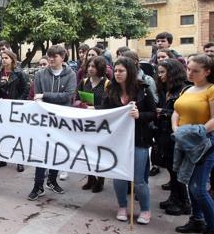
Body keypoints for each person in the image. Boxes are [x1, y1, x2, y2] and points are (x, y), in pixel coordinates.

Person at [102, 58, 155, 224]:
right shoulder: (111, 89)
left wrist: (140, 115)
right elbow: (104, 113)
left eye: (121, 71)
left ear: (130, 72)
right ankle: (122, 206)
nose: (117, 74)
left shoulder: (143, 89)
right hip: (118, 141)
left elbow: (153, 113)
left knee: (139, 180)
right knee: (118, 176)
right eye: (116, 71)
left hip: (139, 140)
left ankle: (145, 210)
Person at [172, 55, 214, 234]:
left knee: (199, 187)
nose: (190, 72)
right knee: (190, 183)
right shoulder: (187, 89)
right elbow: (176, 111)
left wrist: (196, 132)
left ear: (207, 72)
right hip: (184, 142)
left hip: (204, 143)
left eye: (195, 70)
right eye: (188, 68)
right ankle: (197, 220)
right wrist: (177, 130)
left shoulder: (211, 90)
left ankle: (212, 228)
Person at [28, 45, 76, 200]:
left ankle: (52, 180)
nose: (51, 59)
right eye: (49, 56)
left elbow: (67, 96)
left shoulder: (71, 74)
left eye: (54, 56)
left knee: (58, 151)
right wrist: (43, 96)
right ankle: (38, 185)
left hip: (62, 119)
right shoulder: (41, 74)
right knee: (41, 151)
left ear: (63, 57)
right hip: (44, 118)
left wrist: (45, 95)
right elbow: (37, 96)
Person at [154, 59, 191, 216]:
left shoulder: (185, 90)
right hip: (164, 134)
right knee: (170, 168)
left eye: (163, 72)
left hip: (176, 135)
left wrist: (163, 112)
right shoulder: (165, 89)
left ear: (172, 73)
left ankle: (184, 203)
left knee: (177, 171)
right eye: (159, 72)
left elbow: (184, 114)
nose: (160, 75)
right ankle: (174, 198)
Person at [76, 56, 111, 192]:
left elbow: (109, 105)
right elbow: (76, 98)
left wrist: (93, 108)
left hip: (101, 123)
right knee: (87, 151)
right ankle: (91, 178)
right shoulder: (84, 82)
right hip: (86, 123)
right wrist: (81, 104)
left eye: (94, 67)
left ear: (100, 69)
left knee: (99, 152)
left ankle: (100, 180)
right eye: (89, 66)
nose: (90, 69)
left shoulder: (108, 84)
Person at [0, 48, 28, 172]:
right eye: (2, 58)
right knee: (2, 134)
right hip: (1, 108)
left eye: (6, 58)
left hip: (15, 108)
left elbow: (25, 89)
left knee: (17, 135)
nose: (3, 60)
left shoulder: (19, 73)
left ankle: (19, 160)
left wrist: (17, 102)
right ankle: (2, 158)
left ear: (12, 59)